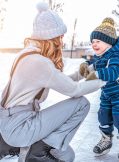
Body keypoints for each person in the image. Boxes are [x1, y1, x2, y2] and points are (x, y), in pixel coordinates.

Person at [0, 2, 105, 162]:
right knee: (81, 104)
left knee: (67, 155)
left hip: (12, 121)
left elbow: (59, 82)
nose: (62, 42)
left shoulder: (27, 55)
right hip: (20, 126)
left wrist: (82, 73)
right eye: (60, 37)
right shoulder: (39, 62)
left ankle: (35, 148)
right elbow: (74, 91)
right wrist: (104, 77)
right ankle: (37, 150)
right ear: (52, 38)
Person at [79, 17, 119, 162]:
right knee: (103, 115)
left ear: (108, 42)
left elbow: (113, 72)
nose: (94, 44)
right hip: (107, 93)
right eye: (93, 42)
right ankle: (106, 139)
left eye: (98, 41)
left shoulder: (117, 57)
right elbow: (95, 63)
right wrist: (86, 64)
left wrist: (95, 75)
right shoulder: (102, 56)